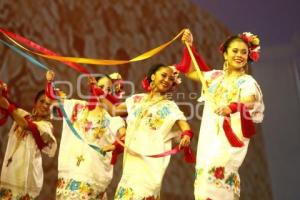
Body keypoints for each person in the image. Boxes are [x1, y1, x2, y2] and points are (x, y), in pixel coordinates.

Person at [176, 30, 265, 200]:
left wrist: (231, 107)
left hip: (229, 140)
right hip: (209, 136)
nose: (239, 55)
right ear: (225, 54)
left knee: (218, 175)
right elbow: (190, 71)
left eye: (244, 52)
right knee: (203, 182)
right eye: (235, 51)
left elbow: (251, 102)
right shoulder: (215, 77)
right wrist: (190, 46)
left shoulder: (247, 82)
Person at [99, 64, 194, 199]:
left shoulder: (170, 107)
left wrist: (187, 135)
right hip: (131, 166)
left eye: (171, 79)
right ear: (153, 76)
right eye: (163, 75)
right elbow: (114, 110)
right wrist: (98, 93)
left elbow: (184, 125)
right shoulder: (137, 100)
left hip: (150, 168)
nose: (167, 80)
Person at [46, 71, 126, 200]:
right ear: (92, 87)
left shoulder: (113, 118)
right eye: (100, 87)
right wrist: (50, 81)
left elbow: (124, 138)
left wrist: (115, 145)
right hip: (69, 173)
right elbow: (52, 99)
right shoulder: (76, 106)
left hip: (93, 175)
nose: (104, 91)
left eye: (109, 90)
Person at [0, 82, 57, 199]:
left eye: (49, 104)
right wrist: (2, 91)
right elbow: (4, 104)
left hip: (27, 179)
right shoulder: (22, 115)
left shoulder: (46, 126)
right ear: (35, 103)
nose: (45, 105)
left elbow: (26, 126)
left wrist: (9, 108)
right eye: (42, 101)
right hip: (10, 173)